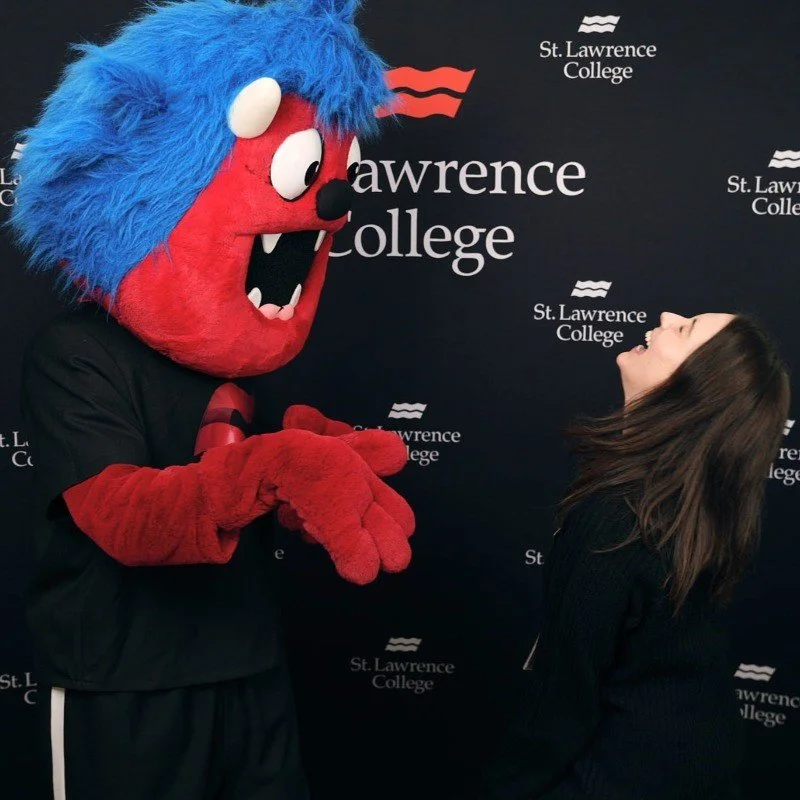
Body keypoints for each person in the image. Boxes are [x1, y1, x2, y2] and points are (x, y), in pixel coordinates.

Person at [479, 312, 790, 800]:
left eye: (685, 329)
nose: (666, 317)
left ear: (695, 388)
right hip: (694, 760)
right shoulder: (688, 501)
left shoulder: (618, 518)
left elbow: (562, 698)